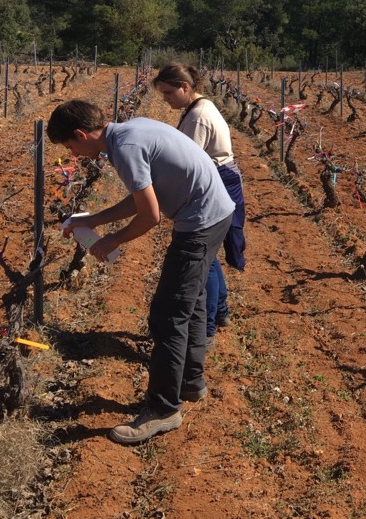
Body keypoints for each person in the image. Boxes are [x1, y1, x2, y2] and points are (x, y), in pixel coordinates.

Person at [47, 99, 234, 445]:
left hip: (201, 220)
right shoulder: (128, 132)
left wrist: (110, 241)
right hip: (215, 211)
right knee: (189, 305)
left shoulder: (125, 149)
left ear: (80, 134)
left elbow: (150, 216)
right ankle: (191, 382)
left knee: (167, 315)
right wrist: (91, 220)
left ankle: (164, 409)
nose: (73, 154)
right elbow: (139, 198)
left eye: (70, 147)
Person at [152, 63, 247, 351]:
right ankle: (220, 312)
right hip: (221, 177)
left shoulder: (198, 118)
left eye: (169, 92)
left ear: (185, 87)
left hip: (218, 181)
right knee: (210, 255)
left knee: (202, 258)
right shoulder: (198, 109)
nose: (165, 99)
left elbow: (185, 164)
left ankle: (205, 328)